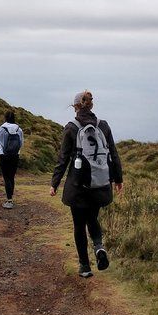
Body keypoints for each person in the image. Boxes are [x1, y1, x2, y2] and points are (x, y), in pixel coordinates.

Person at [50, 90, 123, 278]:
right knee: (93, 218)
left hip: (78, 186)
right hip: (100, 184)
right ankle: (99, 247)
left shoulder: (71, 128)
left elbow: (63, 158)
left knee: (79, 225)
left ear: (75, 107)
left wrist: (55, 183)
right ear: (91, 105)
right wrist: (118, 179)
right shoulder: (103, 126)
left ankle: (84, 266)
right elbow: (113, 154)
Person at [0, 110, 24, 209]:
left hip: (4, 155)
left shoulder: (1, 129)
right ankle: (10, 198)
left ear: (5, 118)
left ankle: (9, 200)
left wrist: (1, 144)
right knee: (11, 176)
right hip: (15, 155)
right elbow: (21, 143)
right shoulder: (19, 129)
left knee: (6, 177)